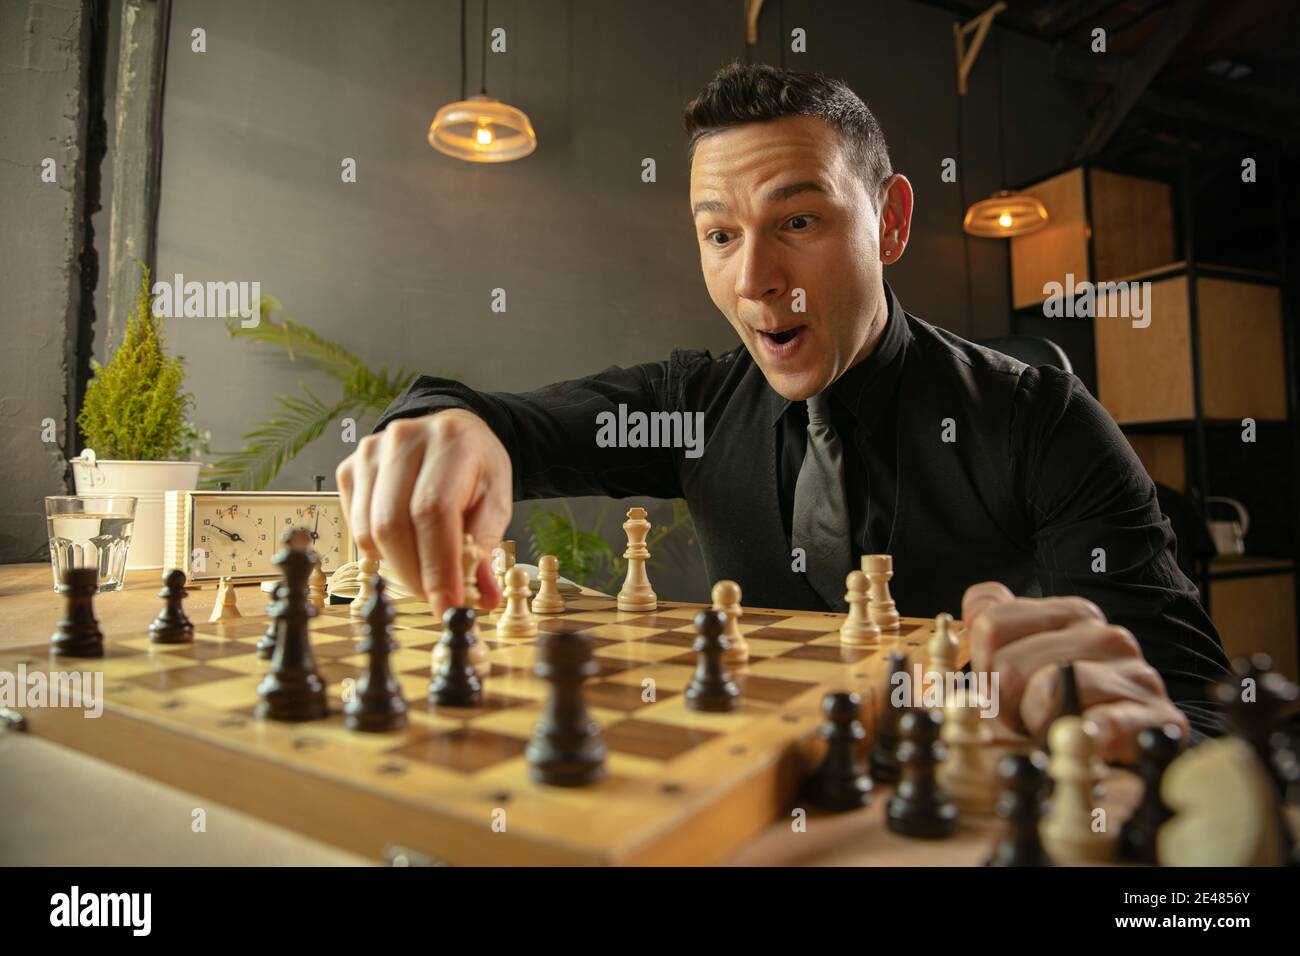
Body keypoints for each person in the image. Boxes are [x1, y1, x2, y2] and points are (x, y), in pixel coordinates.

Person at [336, 63, 1229, 763]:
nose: (754, 279)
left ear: (889, 222)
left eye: (798, 222)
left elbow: (1204, 713)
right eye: (720, 234)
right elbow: (495, 423)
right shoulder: (687, 406)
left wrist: (1135, 729)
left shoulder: (1042, 420)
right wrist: (441, 426)